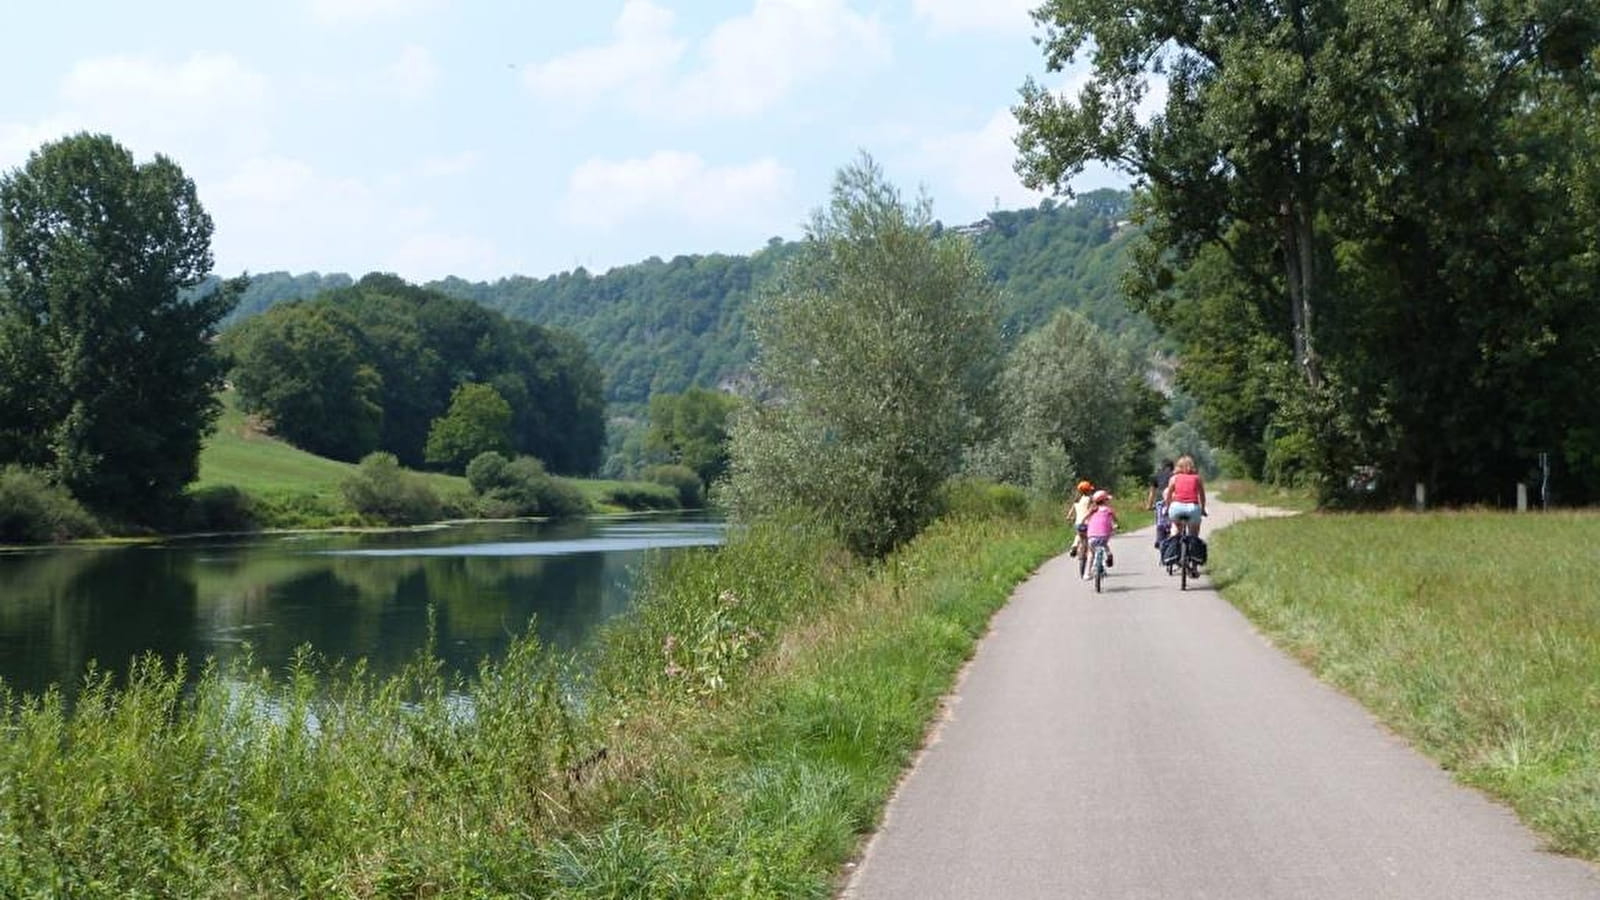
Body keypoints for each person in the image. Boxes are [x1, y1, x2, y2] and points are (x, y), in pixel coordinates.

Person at [1162, 455, 1208, 540]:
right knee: (1193, 534)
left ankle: (1173, 544)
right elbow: (1202, 496)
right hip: (1193, 508)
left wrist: (1168, 508)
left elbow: (1168, 495)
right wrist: (1203, 509)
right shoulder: (1197, 478)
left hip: (1176, 507)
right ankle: (1192, 547)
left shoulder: (1174, 478)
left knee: (1175, 528)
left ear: (1178, 467)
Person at [1082, 489, 1117, 580]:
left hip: (1092, 536)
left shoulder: (1093, 510)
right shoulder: (1108, 510)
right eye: (1107, 500)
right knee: (1104, 545)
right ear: (1104, 501)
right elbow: (1115, 520)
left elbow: (1085, 518)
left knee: (1091, 553)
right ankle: (1109, 554)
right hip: (1104, 536)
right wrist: (1116, 525)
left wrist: (1083, 523)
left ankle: (1087, 573)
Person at [1146, 458, 1175, 549]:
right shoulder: (1174, 476)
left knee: (1160, 523)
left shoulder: (1156, 476)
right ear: (1172, 467)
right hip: (1173, 501)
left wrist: (1149, 505)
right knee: (1174, 522)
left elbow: (1152, 493)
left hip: (1160, 502)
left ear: (1162, 466)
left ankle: (1159, 540)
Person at [1066, 480, 1094, 561]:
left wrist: (1070, 518)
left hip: (1078, 523)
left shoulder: (1076, 501)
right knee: (1089, 538)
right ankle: (1090, 554)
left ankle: (1074, 546)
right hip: (1087, 523)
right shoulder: (1090, 499)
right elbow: (1092, 509)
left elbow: (1069, 514)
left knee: (1078, 535)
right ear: (1088, 490)